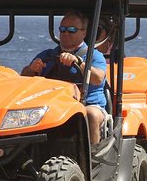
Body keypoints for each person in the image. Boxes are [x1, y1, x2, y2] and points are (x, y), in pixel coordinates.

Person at [21, 10, 108, 145]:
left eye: (72, 30)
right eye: (63, 29)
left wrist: (79, 63)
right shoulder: (47, 55)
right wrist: (32, 69)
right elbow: (24, 77)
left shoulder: (94, 55)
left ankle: (93, 158)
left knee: (91, 115)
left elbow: (98, 78)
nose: (66, 33)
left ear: (83, 33)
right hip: (53, 105)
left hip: (88, 104)